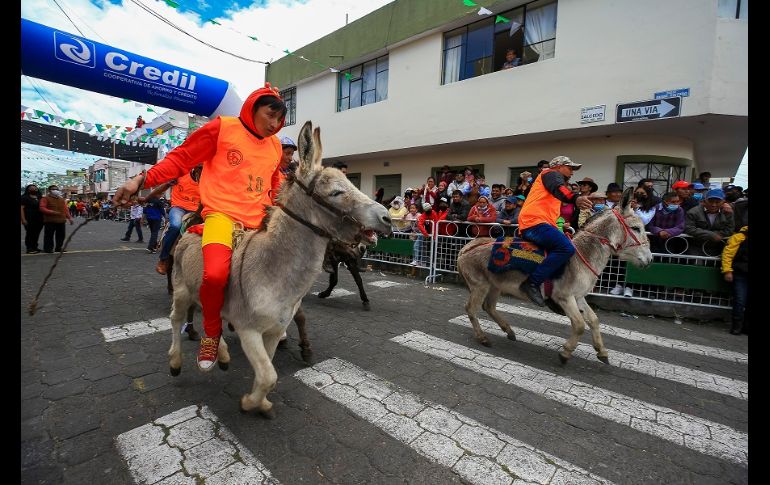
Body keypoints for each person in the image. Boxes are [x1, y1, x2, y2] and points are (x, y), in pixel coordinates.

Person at [113, 82, 287, 371]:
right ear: (252, 108)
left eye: (280, 119)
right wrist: (140, 180)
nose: (274, 124)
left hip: (259, 223)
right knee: (215, 276)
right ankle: (211, 334)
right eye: (270, 115)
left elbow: (276, 184)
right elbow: (181, 158)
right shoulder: (223, 128)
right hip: (221, 217)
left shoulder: (275, 146)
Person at [517, 156, 592, 306]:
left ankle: (553, 291)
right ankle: (532, 283)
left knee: (566, 252)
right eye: (570, 168)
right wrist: (575, 198)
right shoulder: (550, 173)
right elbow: (559, 189)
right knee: (566, 248)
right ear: (558, 166)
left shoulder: (551, 181)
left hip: (540, 224)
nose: (572, 172)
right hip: (534, 223)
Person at [721, 226, 748, 335]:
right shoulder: (739, 237)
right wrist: (727, 271)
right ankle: (736, 326)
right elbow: (727, 254)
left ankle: (745, 327)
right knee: (740, 300)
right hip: (740, 273)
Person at [39, 185, 74, 253]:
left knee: (61, 236)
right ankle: (48, 249)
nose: (55, 190)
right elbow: (42, 208)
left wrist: (69, 218)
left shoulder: (61, 199)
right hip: (50, 220)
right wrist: (52, 212)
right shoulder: (45, 198)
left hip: (61, 220)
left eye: (57, 189)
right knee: (49, 235)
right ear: (49, 191)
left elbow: (65, 209)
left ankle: (58, 248)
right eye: (53, 189)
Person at [21, 184, 43, 254]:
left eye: (35, 188)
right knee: (30, 233)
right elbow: (21, 208)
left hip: (39, 219)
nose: (34, 189)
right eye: (31, 188)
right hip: (29, 218)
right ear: (28, 189)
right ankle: (29, 248)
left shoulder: (40, 197)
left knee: (36, 233)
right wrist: (23, 219)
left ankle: (35, 247)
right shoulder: (24, 197)